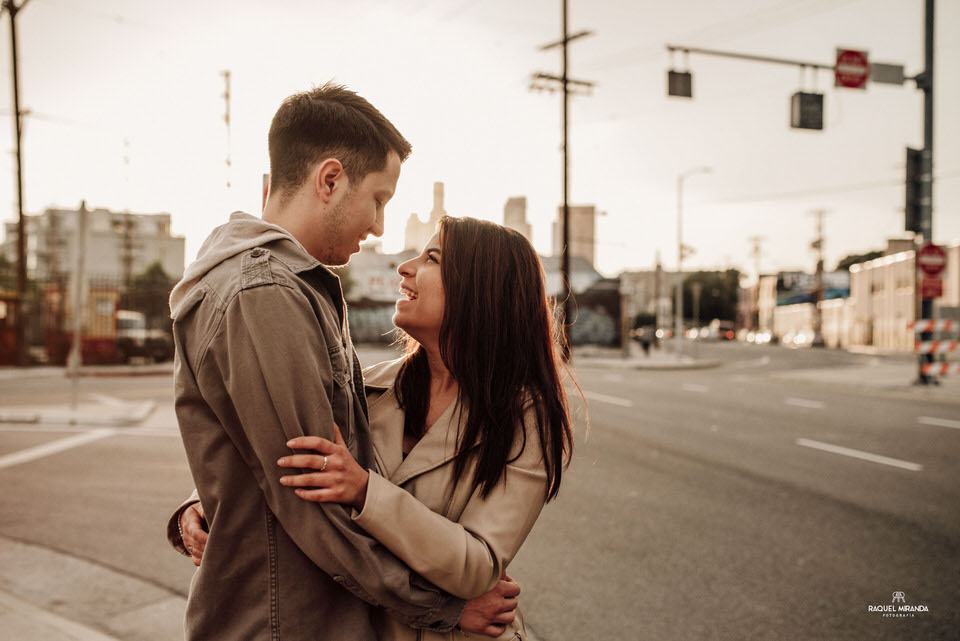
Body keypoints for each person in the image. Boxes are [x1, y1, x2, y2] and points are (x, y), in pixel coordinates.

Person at [166, 82, 517, 641]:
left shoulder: (283, 286)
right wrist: (442, 607)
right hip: (287, 623)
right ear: (330, 180)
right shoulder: (264, 293)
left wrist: (196, 503)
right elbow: (310, 497)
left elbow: (262, 447)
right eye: (378, 199)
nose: (379, 225)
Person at [182, 216, 576, 640]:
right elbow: (281, 441)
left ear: (481, 290)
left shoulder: (526, 415)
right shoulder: (368, 386)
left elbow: (477, 565)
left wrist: (365, 490)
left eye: (432, 258)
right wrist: (197, 505)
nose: (405, 267)